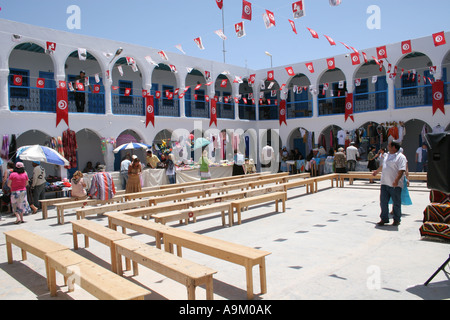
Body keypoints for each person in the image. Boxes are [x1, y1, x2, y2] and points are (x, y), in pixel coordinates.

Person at [372, 141, 407, 226]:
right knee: (383, 202)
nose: (388, 147)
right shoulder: (387, 155)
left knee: (396, 203)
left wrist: (396, 180)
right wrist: (377, 171)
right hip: (384, 183)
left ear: (394, 147)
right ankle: (384, 218)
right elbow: (383, 165)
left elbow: (402, 170)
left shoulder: (400, 157)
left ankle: (396, 219)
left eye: (389, 146)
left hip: (395, 184)